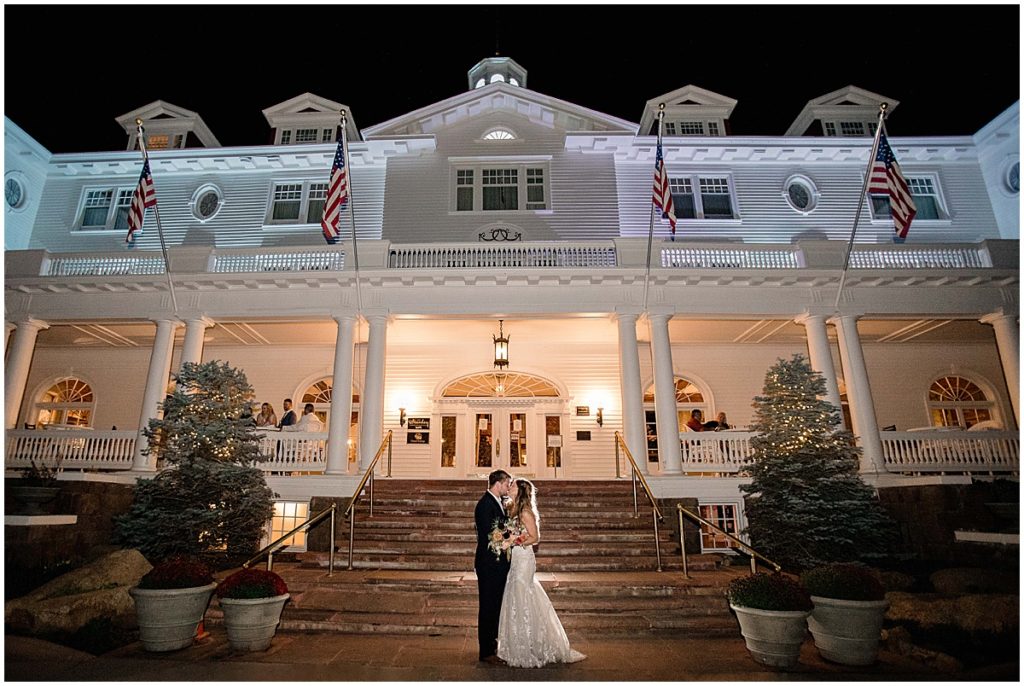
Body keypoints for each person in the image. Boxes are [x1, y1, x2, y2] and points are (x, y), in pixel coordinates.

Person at [497, 478, 586, 668]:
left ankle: (531, 645)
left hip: (524, 560)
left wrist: (514, 541)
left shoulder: (526, 512)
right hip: (516, 559)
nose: (509, 486)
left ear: (519, 491)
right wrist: (506, 537)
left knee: (523, 595)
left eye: (512, 485)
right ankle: (519, 643)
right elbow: (515, 532)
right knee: (516, 595)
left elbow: (535, 538)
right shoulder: (513, 509)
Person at [475, 470, 512, 665]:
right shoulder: (484, 505)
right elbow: (491, 535)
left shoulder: (497, 503)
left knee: (495, 605)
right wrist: (511, 534)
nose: (508, 488)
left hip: (497, 564)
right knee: (488, 606)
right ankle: (486, 651)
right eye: (507, 484)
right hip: (489, 564)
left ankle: (493, 645)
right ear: (498, 483)